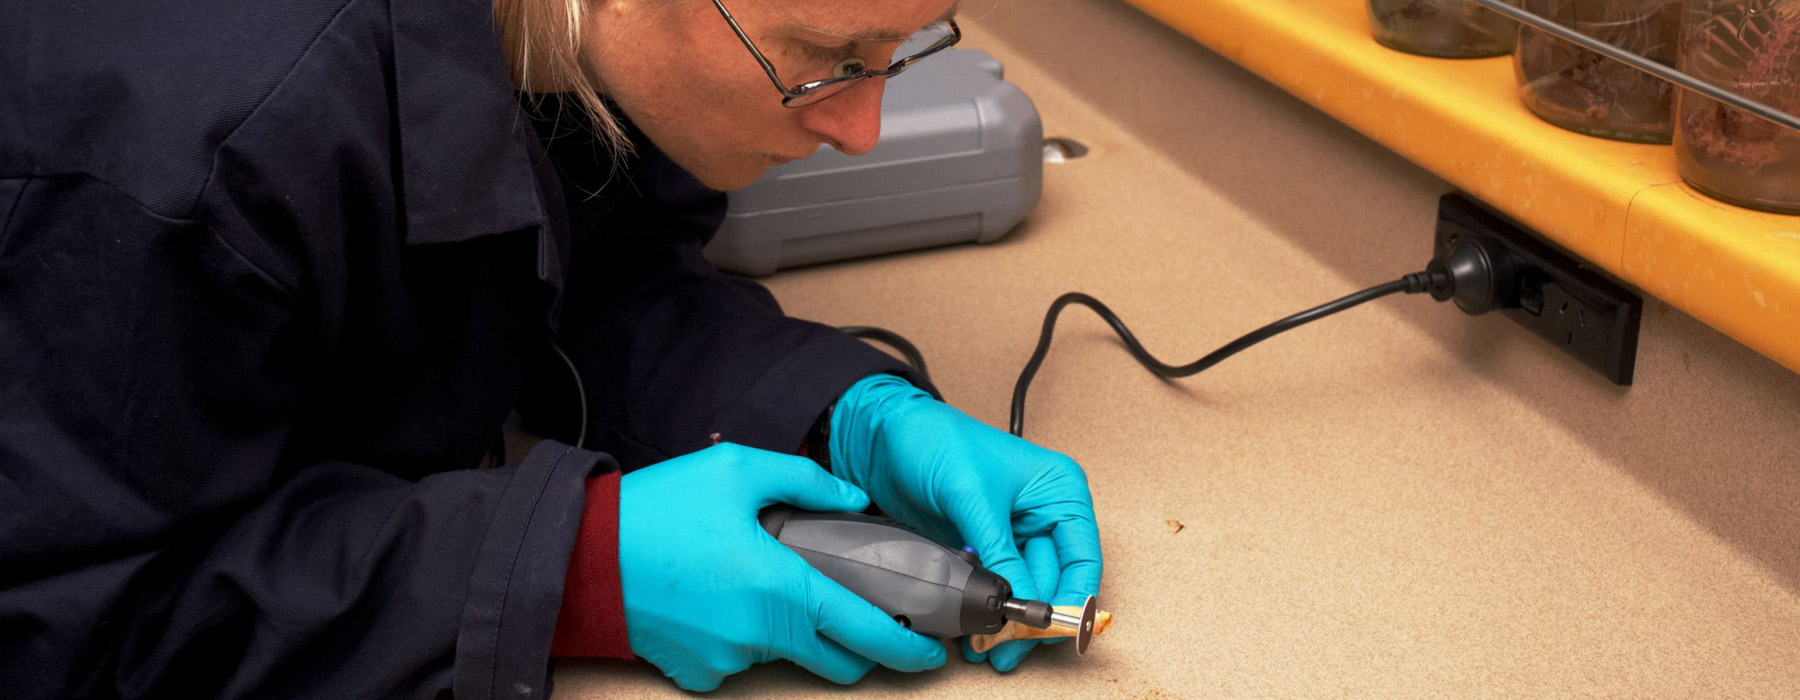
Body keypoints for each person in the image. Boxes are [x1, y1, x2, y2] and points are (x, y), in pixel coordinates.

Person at [0, 0, 1103, 696]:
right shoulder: (183, 156)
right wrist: (564, 573)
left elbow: (582, 262)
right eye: (823, 59)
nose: (860, 130)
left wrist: (838, 409)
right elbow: (65, 619)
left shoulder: (576, 43)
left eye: (905, 49)